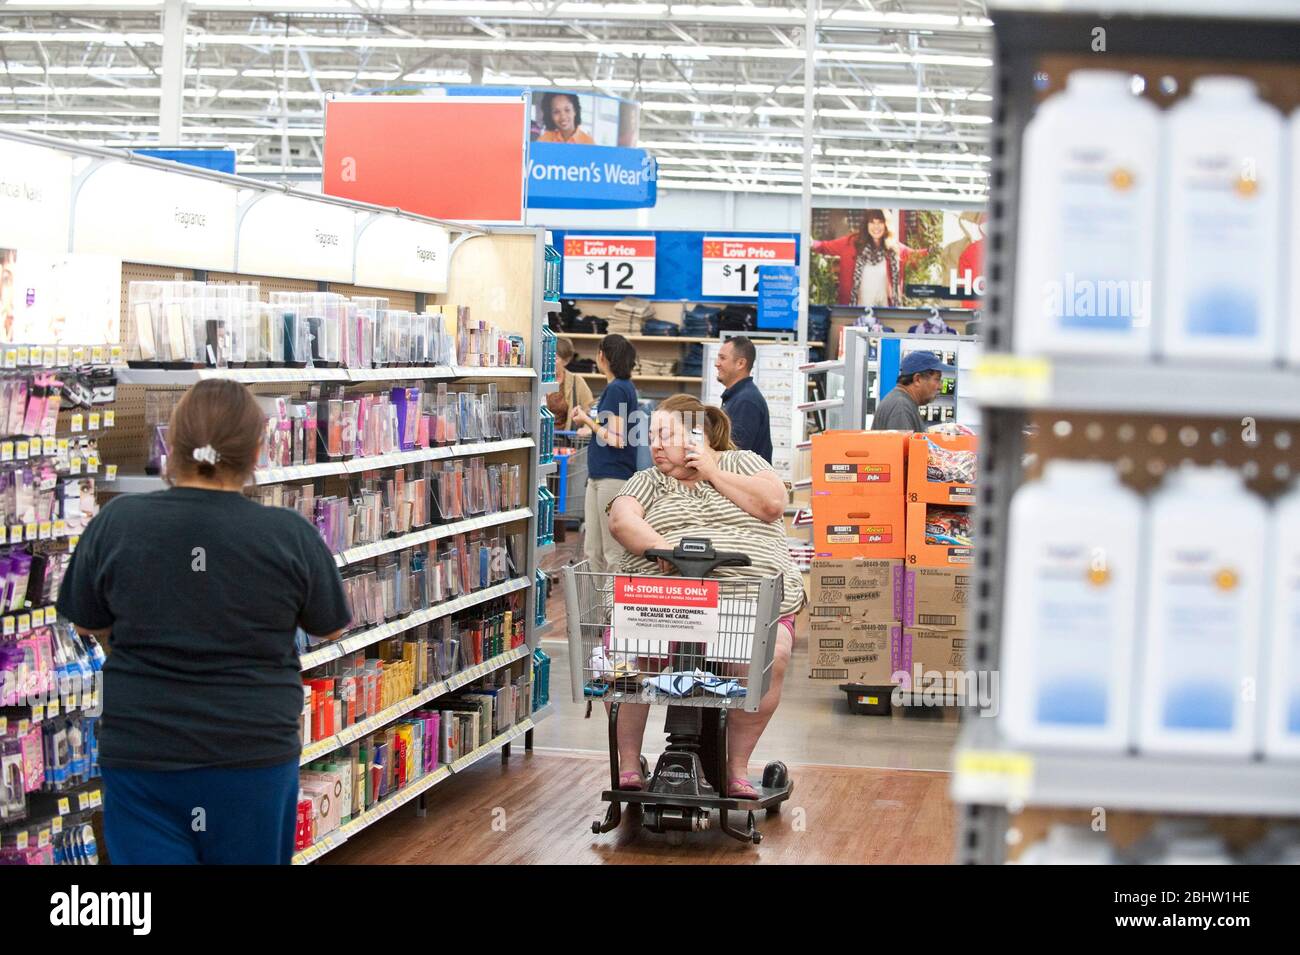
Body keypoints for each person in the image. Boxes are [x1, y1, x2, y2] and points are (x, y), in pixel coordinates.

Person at [56, 379, 352, 865]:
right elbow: (332, 625)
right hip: (251, 754)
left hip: (144, 753)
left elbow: (85, 622)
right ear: (256, 450)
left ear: (172, 445)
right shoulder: (289, 535)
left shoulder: (118, 523)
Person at [606, 394, 803, 799]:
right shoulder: (648, 480)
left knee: (771, 657)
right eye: (652, 437)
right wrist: (662, 548)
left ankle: (736, 769)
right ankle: (628, 765)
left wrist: (712, 469)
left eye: (666, 435)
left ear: (698, 436)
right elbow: (622, 520)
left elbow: (771, 505)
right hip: (666, 598)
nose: (655, 445)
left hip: (748, 597)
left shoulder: (742, 462)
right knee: (627, 660)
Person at [572, 334, 638, 573]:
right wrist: (588, 426)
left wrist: (588, 422)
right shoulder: (622, 388)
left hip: (611, 476)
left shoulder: (617, 390)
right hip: (603, 476)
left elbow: (617, 439)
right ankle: (600, 609)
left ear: (603, 356)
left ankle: (609, 608)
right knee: (594, 549)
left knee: (610, 551)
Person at [811, 209, 928, 307]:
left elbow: (918, 255)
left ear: (886, 225)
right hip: (855, 310)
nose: (876, 227)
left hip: (885, 312)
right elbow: (824, 247)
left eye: (880, 222)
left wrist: (936, 251)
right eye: (872, 222)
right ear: (866, 225)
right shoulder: (851, 243)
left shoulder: (895, 248)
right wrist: (809, 242)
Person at [714, 335, 772, 464]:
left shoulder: (746, 401)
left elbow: (733, 453)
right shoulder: (737, 397)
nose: (716, 363)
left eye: (722, 358)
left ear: (740, 363)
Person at [872, 351, 945, 432]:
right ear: (917, 379)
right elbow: (901, 444)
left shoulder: (902, 402)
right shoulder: (901, 406)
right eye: (937, 379)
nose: (940, 387)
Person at [545, 336, 595, 430]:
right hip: (539, 439)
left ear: (566, 361)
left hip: (564, 441)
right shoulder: (538, 380)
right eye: (547, 357)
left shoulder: (576, 381)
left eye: (555, 358)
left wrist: (587, 428)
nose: (549, 362)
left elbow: (592, 409)